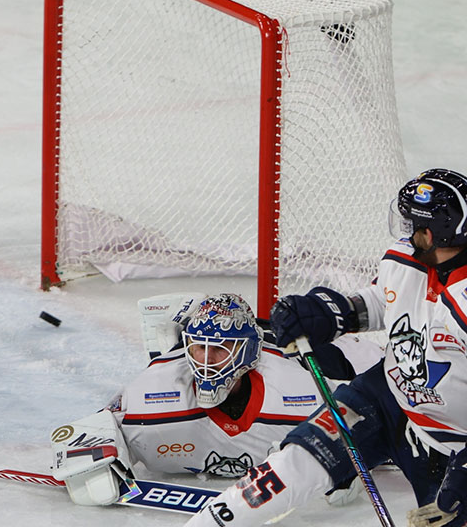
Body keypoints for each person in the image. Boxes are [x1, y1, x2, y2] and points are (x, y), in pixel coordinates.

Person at [183, 169, 467, 527]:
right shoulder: (405, 258)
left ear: (432, 233)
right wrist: (333, 312)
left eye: (414, 225)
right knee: (294, 463)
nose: (407, 233)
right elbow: (385, 300)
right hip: (386, 399)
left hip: (455, 447)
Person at [49, 293, 378, 507]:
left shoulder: (298, 389)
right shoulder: (153, 389)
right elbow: (92, 429)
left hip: (297, 354)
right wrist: (99, 457)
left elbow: (368, 417)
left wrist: (342, 462)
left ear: (248, 352)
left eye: (219, 349)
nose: (205, 361)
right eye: (197, 347)